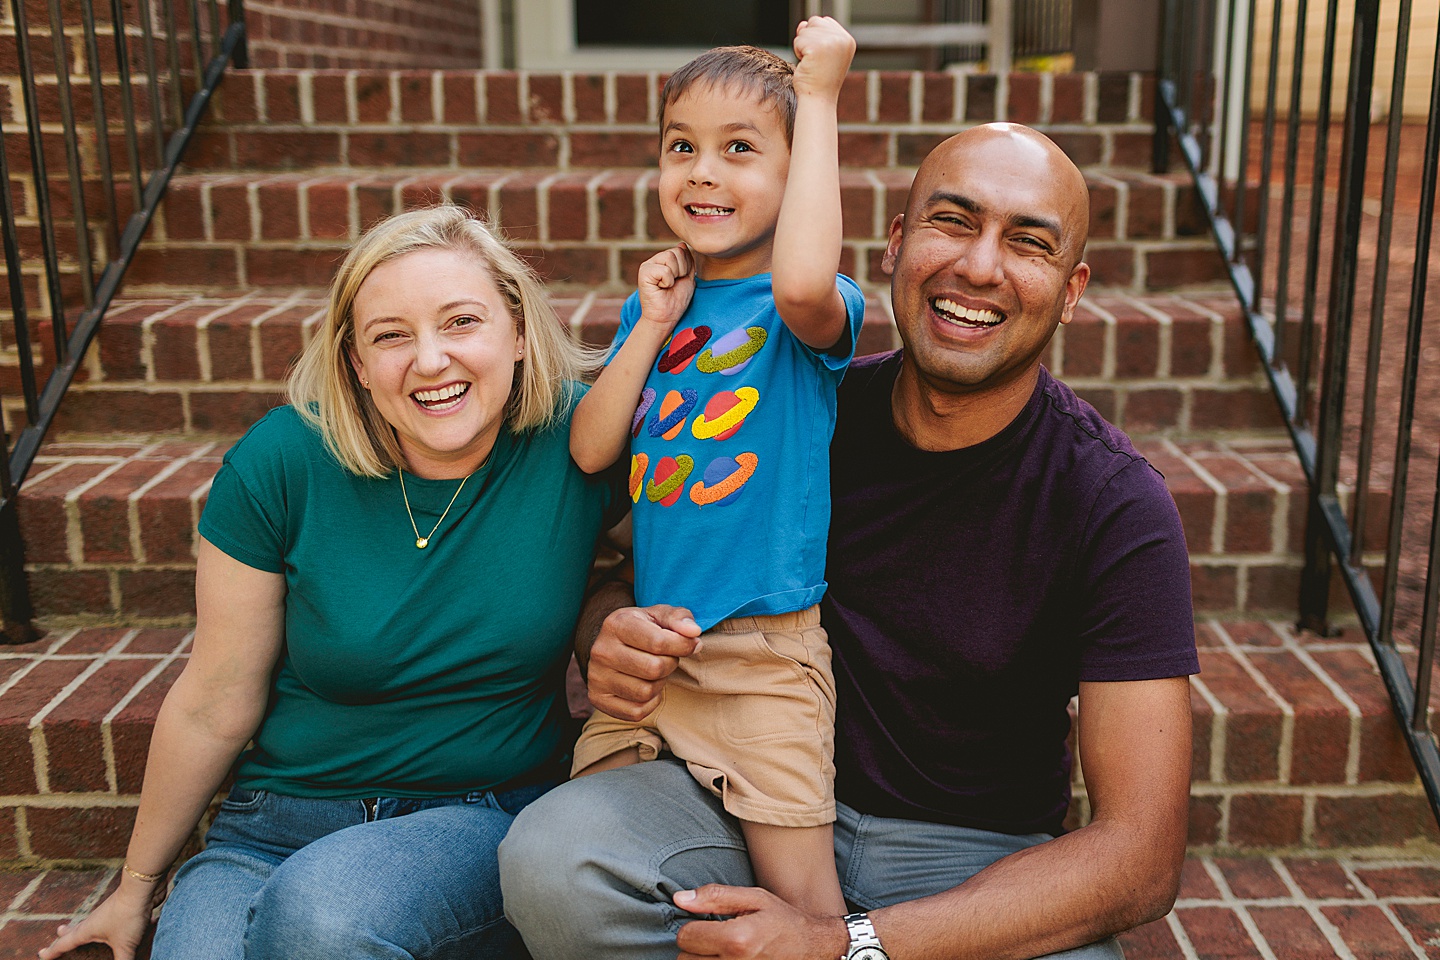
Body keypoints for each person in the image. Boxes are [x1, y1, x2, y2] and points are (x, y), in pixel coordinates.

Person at [499, 123, 1198, 960]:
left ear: (1072, 288)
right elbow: (623, 558)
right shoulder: (788, 413)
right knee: (557, 861)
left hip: (969, 860)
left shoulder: (1112, 502)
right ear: (895, 243)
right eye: (952, 221)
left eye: (1028, 243)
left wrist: (848, 943)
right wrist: (606, 631)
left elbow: (1140, 858)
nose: (980, 266)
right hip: (736, 804)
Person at [40, 205, 619, 960]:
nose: (431, 360)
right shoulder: (285, 460)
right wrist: (136, 887)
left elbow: (687, 547)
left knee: (323, 918)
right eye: (391, 336)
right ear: (355, 362)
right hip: (272, 829)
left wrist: (607, 609)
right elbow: (215, 698)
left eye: (461, 322)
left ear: (517, 331)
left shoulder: (579, 439)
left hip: (480, 816)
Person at [564, 17, 862, 916]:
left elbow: (804, 282)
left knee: (805, 909)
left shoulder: (809, 310)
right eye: (681, 146)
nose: (701, 171)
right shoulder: (658, 306)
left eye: (739, 149)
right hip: (652, 652)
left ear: (795, 173)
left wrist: (819, 97)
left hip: (760, 654)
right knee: (578, 864)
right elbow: (590, 449)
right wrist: (650, 323)